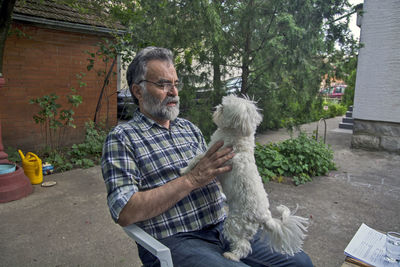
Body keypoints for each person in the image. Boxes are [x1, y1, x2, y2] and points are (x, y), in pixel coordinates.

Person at [101, 46, 313, 267]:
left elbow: (220, 174)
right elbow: (124, 211)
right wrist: (191, 180)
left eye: (175, 83)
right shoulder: (122, 138)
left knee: (300, 263)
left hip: (223, 226)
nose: (174, 92)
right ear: (138, 91)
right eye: (163, 84)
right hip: (177, 239)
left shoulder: (189, 129)